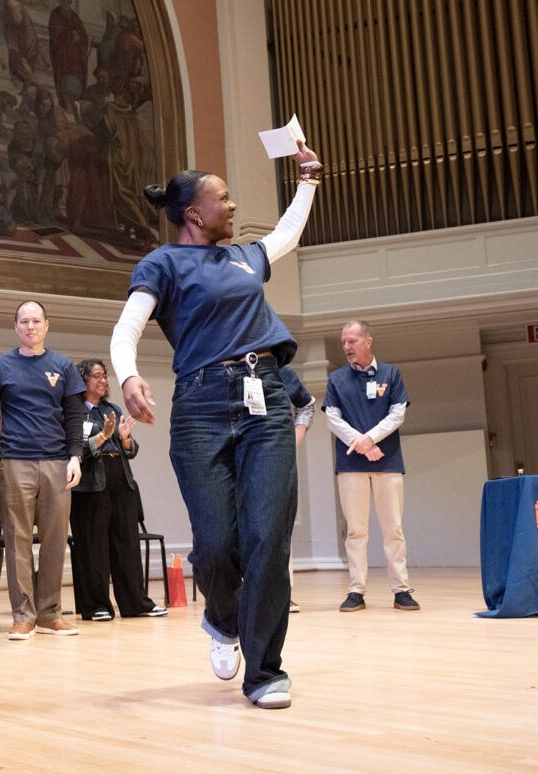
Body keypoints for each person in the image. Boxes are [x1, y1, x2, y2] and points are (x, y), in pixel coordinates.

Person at [110, 140, 322, 710]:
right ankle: (222, 617)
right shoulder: (162, 263)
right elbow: (127, 329)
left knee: (268, 537)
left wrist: (308, 180)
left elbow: (286, 236)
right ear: (195, 214)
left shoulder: (245, 257)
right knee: (216, 545)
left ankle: (265, 671)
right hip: (202, 406)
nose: (233, 206)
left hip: (267, 401)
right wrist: (127, 377)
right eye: (223, 197)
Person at [0, 300, 85, 640]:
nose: (30, 326)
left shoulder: (63, 366)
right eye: (23, 321)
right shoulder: (0, 367)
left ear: (46, 325)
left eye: (35, 321)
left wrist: (75, 456)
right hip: (14, 460)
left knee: (56, 540)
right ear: (17, 327)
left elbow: (74, 416)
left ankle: (50, 614)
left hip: (57, 462)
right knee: (17, 540)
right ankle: (23, 615)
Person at [322, 320, 420, 613]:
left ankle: (401, 589)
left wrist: (370, 438)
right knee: (356, 531)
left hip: (387, 462)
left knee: (394, 529)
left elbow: (397, 414)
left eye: (352, 341)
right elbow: (333, 419)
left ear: (368, 341)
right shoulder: (337, 379)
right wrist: (362, 443)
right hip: (351, 465)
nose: (347, 347)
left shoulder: (391, 374)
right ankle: (356, 590)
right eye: (343, 343)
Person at [70, 358, 167, 622]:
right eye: (97, 376)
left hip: (121, 482)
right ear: (83, 380)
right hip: (90, 487)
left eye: (104, 376)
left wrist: (123, 437)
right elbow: (76, 450)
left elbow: (130, 451)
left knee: (127, 545)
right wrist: (102, 436)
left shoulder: (112, 408)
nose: (103, 381)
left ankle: (136, 603)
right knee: (94, 547)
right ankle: (96, 606)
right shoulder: (75, 411)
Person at [280, 365, 316, 613]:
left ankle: (282, 594)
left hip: (275, 459)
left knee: (278, 528)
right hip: (233, 460)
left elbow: (307, 404)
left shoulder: (282, 372)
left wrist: (293, 440)